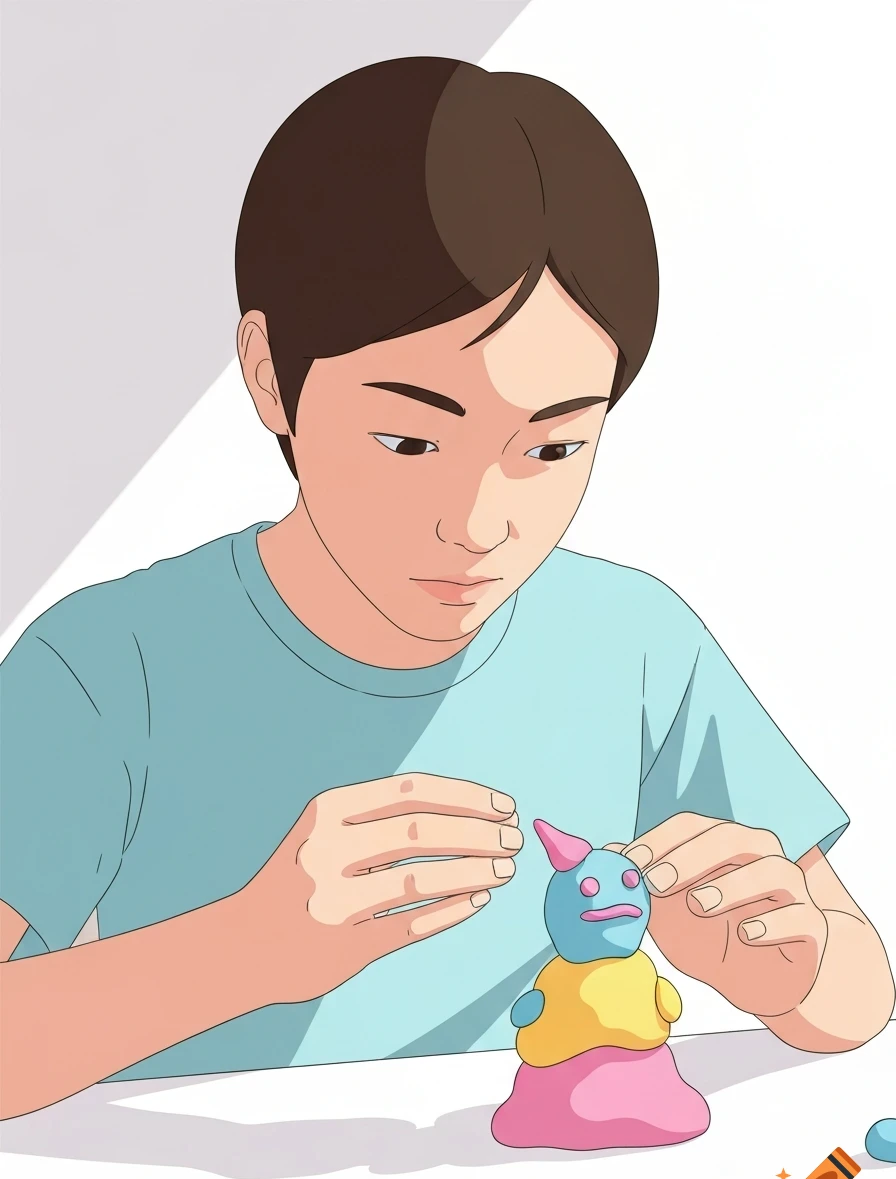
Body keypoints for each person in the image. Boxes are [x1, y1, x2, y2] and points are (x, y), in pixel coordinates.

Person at [0, 57, 891, 1121]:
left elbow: (855, 993)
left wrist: (779, 965)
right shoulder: (106, 667)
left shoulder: (636, 642)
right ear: (269, 373)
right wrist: (248, 949)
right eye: (408, 437)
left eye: (551, 446)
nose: (475, 525)